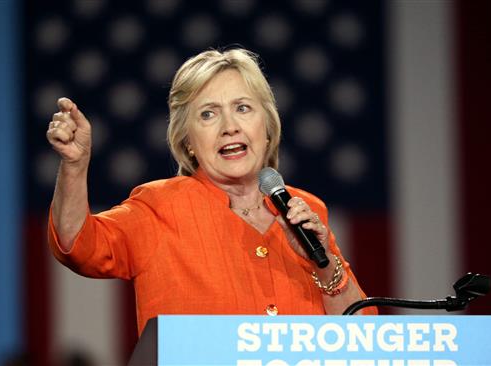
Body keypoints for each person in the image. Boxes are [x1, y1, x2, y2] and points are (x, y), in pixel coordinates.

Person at [46, 48, 377, 335]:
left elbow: (364, 338)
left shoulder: (304, 210)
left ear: (267, 127)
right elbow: (78, 246)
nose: (229, 126)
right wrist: (74, 167)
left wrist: (323, 264)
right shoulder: (160, 207)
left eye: (243, 108)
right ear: (188, 141)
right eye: (208, 114)